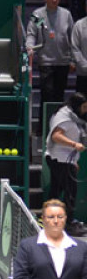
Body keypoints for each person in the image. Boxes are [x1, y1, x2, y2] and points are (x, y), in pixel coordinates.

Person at [27, 0, 74, 124]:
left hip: (63, 62)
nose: (54, 0)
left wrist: (72, 60)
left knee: (59, 96)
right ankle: (44, 126)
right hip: (45, 62)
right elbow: (31, 33)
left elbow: (72, 38)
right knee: (46, 95)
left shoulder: (66, 14)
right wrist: (30, 47)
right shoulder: (37, 15)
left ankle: (57, 126)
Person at [44, 92, 87, 237]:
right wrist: (75, 144)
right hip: (59, 159)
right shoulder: (64, 117)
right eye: (84, 107)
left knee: (57, 191)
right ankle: (67, 225)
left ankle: (52, 220)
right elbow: (56, 136)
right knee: (70, 193)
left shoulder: (71, 115)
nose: (85, 110)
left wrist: (73, 161)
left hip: (65, 160)